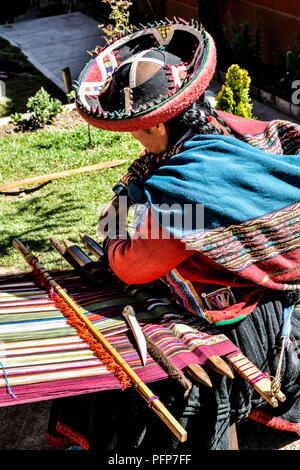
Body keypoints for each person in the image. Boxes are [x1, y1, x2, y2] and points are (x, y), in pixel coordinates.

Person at [47, 19, 300, 451]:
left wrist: (112, 235)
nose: (134, 142)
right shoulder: (232, 129)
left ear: (155, 127)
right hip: (285, 299)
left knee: (145, 399)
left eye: (134, 132)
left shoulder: (187, 188)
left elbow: (133, 266)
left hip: (247, 324)